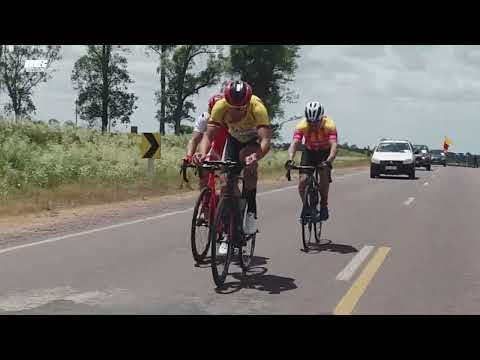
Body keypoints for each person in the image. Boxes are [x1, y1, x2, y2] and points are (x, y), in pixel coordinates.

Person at [194, 80, 272, 254]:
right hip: (234, 140)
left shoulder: (257, 107)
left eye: (242, 107)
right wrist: (202, 153)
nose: (237, 110)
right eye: (233, 107)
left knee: (249, 165)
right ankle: (230, 232)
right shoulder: (220, 107)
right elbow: (208, 135)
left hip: (252, 141)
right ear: (226, 102)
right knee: (225, 183)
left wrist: (256, 155)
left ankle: (250, 211)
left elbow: (266, 141)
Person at [285, 101, 338, 223]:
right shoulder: (302, 125)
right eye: (310, 122)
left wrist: (329, 161)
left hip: (325, 152)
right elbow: (294, 144)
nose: (313, 125)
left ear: (321, 119)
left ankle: (324, 204)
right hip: (309, 152)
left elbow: (334, 146)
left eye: (316, 122)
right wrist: (290, 159)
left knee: (323, 176)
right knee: (303, 180)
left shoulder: (330, 125)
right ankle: (306, 206)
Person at [183, 94, 228, 190]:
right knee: (203, 169)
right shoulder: (204, 118)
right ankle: (205, 199)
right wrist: (188, 156)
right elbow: (194, 139)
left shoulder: (230, 118)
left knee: (226, 181)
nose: (215, 116)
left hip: (227, 146)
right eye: (212, 112)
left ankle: (227, 200)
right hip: (214, 146)